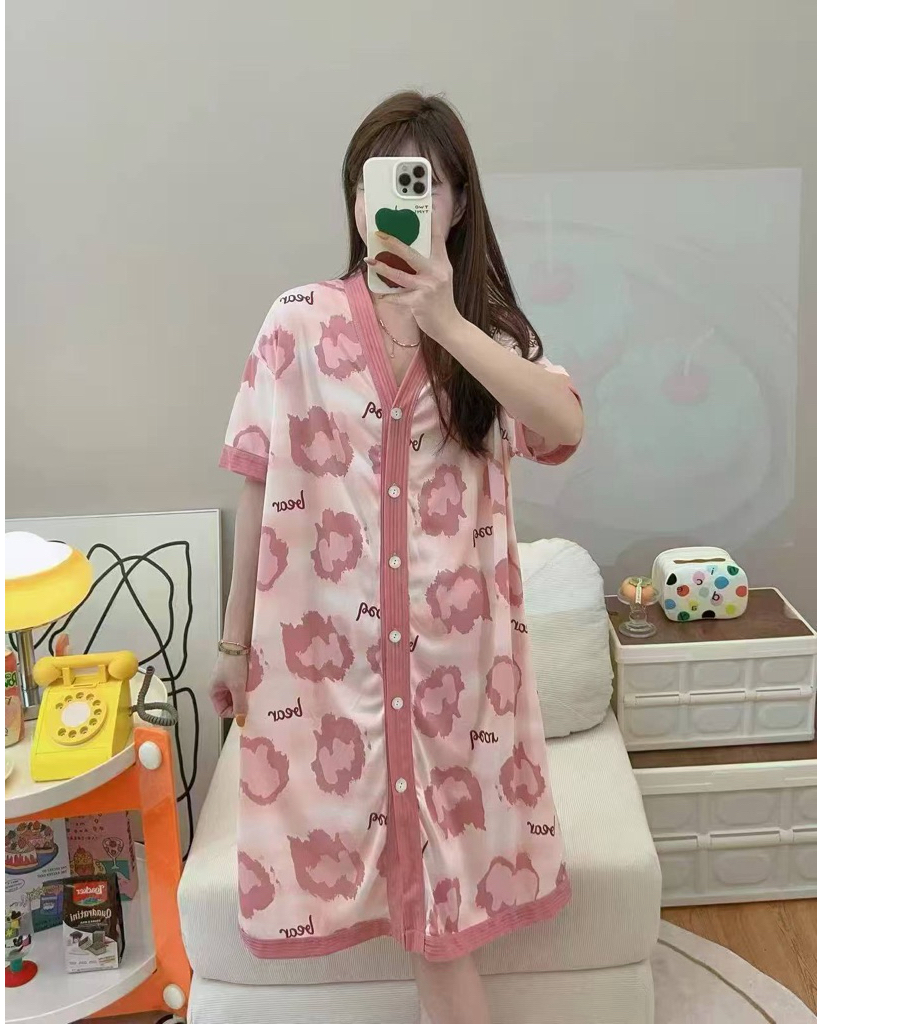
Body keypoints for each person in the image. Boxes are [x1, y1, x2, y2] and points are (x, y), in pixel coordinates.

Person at [211, 91, 584, 1024]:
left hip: (459, 690)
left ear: (457, 204)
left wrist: (448, 322)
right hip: (334, 681)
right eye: (376, 183)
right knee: (413, 916)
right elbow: (257, 481)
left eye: (427, 183)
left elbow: (563, 426)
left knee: (441, 924)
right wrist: (231, 644)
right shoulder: (297, 322)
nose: (403, 204)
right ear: (355, 199)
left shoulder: (490, 340)